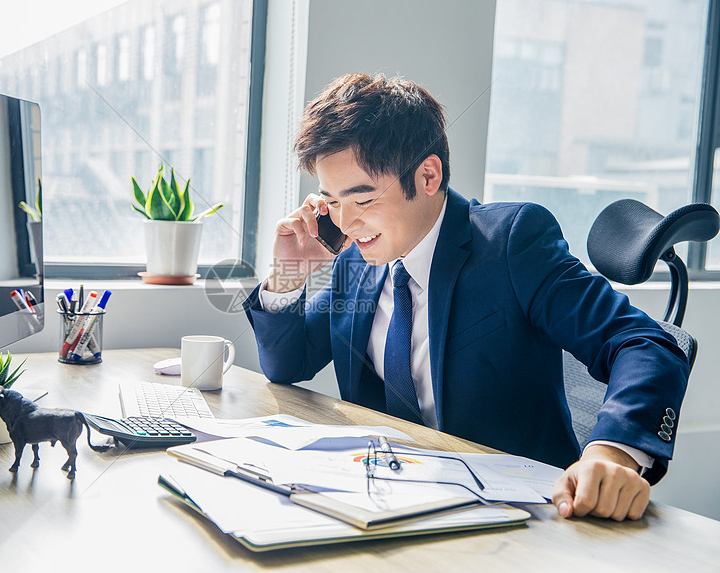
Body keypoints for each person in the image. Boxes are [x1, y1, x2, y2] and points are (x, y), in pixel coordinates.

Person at [243, 73, 690, 521]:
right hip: (388, 502)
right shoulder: (355, 262)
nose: (344, 223)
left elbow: (645, 343)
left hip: (520, 513)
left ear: (428, 175)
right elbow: (289, 364)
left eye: (361, 200)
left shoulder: (510, 243)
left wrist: (611, 456)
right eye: (331, 202)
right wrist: (288, 277)